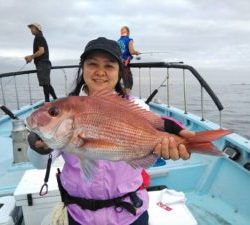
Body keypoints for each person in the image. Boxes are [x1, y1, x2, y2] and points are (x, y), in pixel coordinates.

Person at [27, 37, 194, 225]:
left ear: (119, 72)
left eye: (109, 66)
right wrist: (38, 146)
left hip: (130, 214)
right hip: (80, 216)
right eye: (92, 64)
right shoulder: (67, 108)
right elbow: (40, 164)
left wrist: (171, 132)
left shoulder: (135, 106)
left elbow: (155, 126)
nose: (100, 72)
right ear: (83, 68)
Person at [24, 22, 57, 102]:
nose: (31, 30)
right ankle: (56, 100)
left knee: (45, 84)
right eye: (30, 28)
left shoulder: (39, 37)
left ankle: (47, 102)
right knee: (47, 83)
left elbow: (41, 51)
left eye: (32, 28)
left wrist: (31, 57)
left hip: (43, 64)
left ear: (38, 29)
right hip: (44, 63)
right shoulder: (39, 37)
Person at [117, 26, 140, 95]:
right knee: (128, 81)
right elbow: (131, 51)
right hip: (125, 63)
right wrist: (136, 52)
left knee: (117, 81)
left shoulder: (118, 41)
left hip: (118, 63)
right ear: (128, 32)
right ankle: (127, 98)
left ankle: (119, 96)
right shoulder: (129, 40)